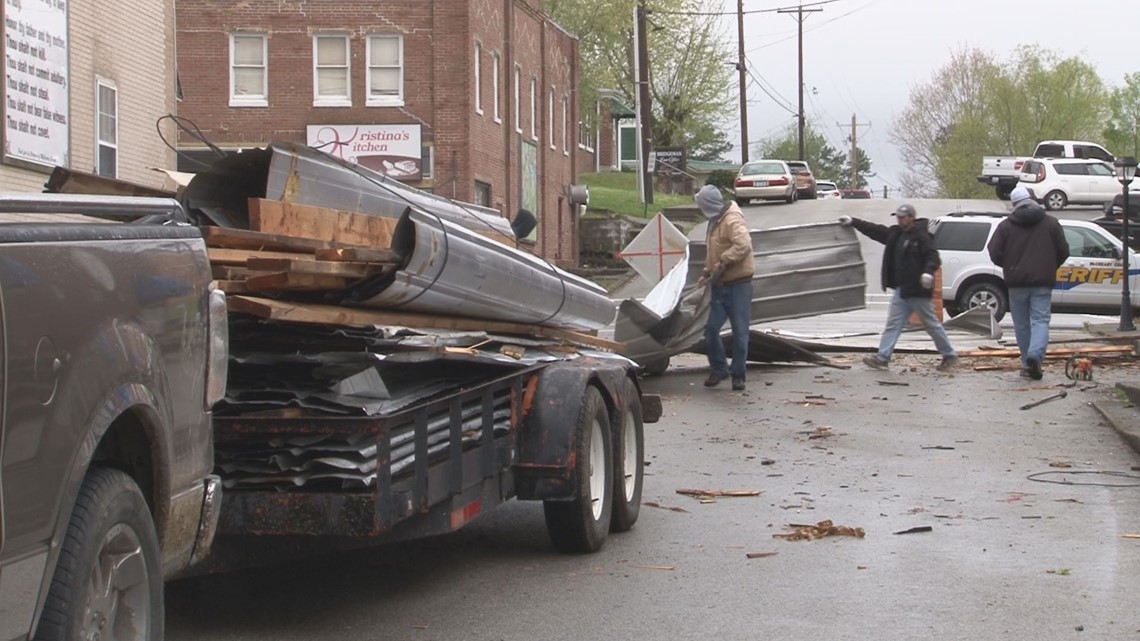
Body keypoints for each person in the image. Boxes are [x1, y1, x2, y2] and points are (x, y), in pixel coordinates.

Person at [839, 204, 959, 371]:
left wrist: (928, 272)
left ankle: (950, 355)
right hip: (902, 291)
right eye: (898, 217)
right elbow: (875, 230)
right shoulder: (896, 234)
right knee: (893, 324)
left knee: (931, 324)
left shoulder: (922, 237)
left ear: (911, 217)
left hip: (918, 292)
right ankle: (882, 358)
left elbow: (933, 257)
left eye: (902, 217)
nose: (900, 220)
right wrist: (854, 222)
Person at [986, 186, 1070, 380]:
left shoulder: (1006, 226)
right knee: (1041, 320)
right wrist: (1050, 265)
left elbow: (994, 252)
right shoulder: (1050, 223)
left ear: (1014, 204)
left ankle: (1026, 363)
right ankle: (1035, 355)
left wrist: (1009, 265)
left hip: (1016, 283)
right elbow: (1063, 251)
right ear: (1032, 200)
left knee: (1022, 325)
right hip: (1042, 281)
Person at [695, 184, 755, 391]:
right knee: (711, 328)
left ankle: (738, 374)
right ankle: (719, 368)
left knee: (740, 332)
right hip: (720, 283)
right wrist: (707, 271)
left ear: (709, 204)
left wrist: (724, 260)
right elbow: (713, 250)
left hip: (739, 284)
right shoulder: (714, 221)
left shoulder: (731, 219)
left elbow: (744, 245)